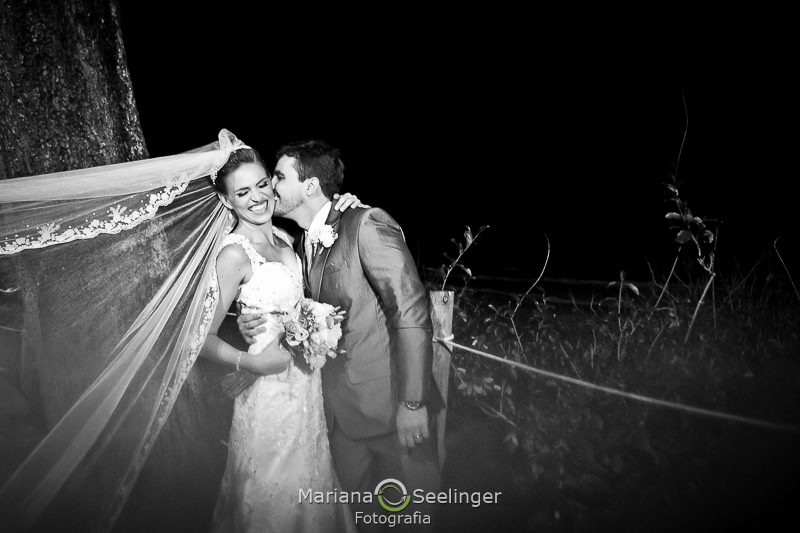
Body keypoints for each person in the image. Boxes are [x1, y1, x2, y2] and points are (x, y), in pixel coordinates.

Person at [238, 141, 443, 529]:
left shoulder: (363, 223)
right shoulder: (301, 244)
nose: (270, 187)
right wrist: (249, 317)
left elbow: (411, 310)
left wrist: (413, 403)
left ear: (311, 186)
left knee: (417, 520)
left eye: (279, 177)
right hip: (335, 419)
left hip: (390, 411)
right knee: (360, 522)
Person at [200, 145, 361, 533]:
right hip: (267, 397)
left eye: (261, 185)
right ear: (226, 199)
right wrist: (248, 362)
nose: (257, 198)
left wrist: (344, 206)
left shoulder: (288, 240)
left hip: (306, 389)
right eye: (243, 193)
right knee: (272, 494)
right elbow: (197, 339)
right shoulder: (233, 255)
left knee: (312, 480)